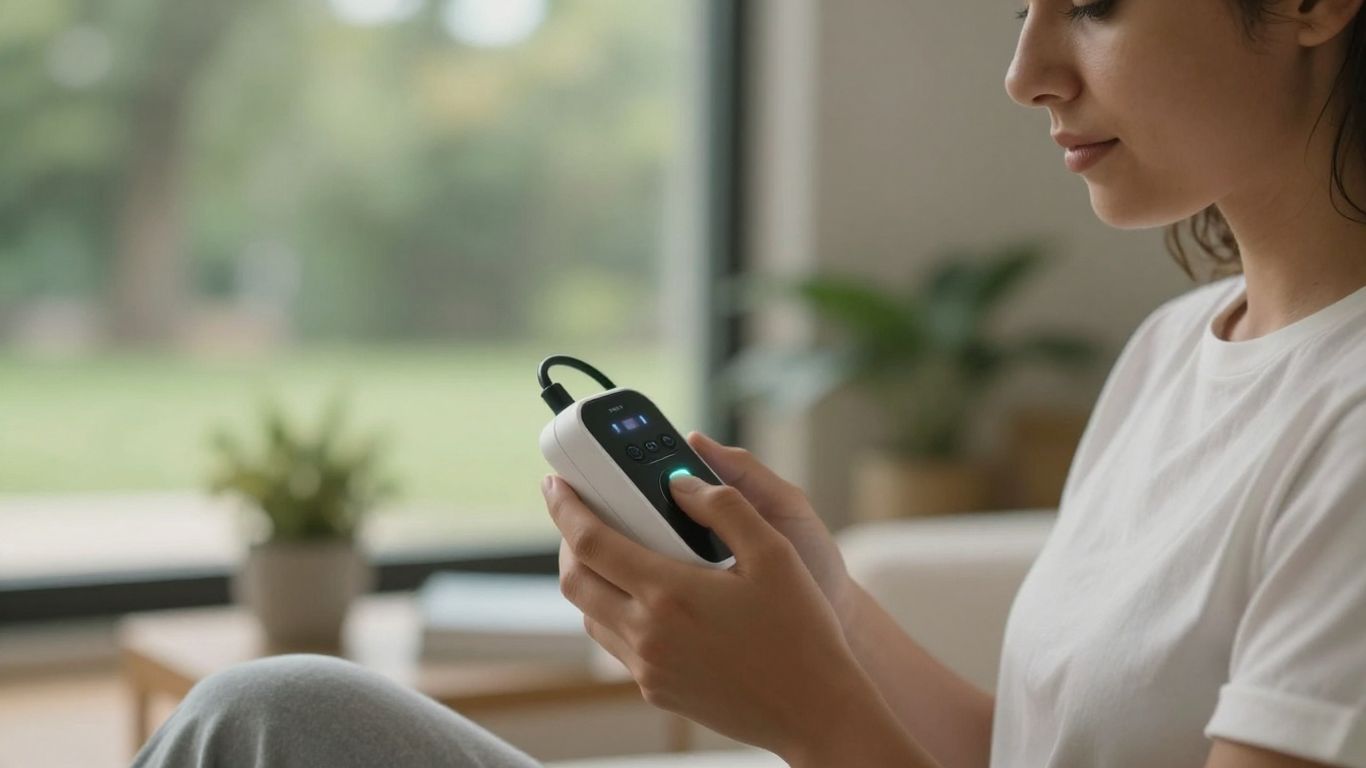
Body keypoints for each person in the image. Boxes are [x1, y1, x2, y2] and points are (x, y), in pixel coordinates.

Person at [131, 0, 1366, 766]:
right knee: (276, 716)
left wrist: (811, 719)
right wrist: (820, 599)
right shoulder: (1175, 348)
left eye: (1092, 4)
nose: (1025, 69)